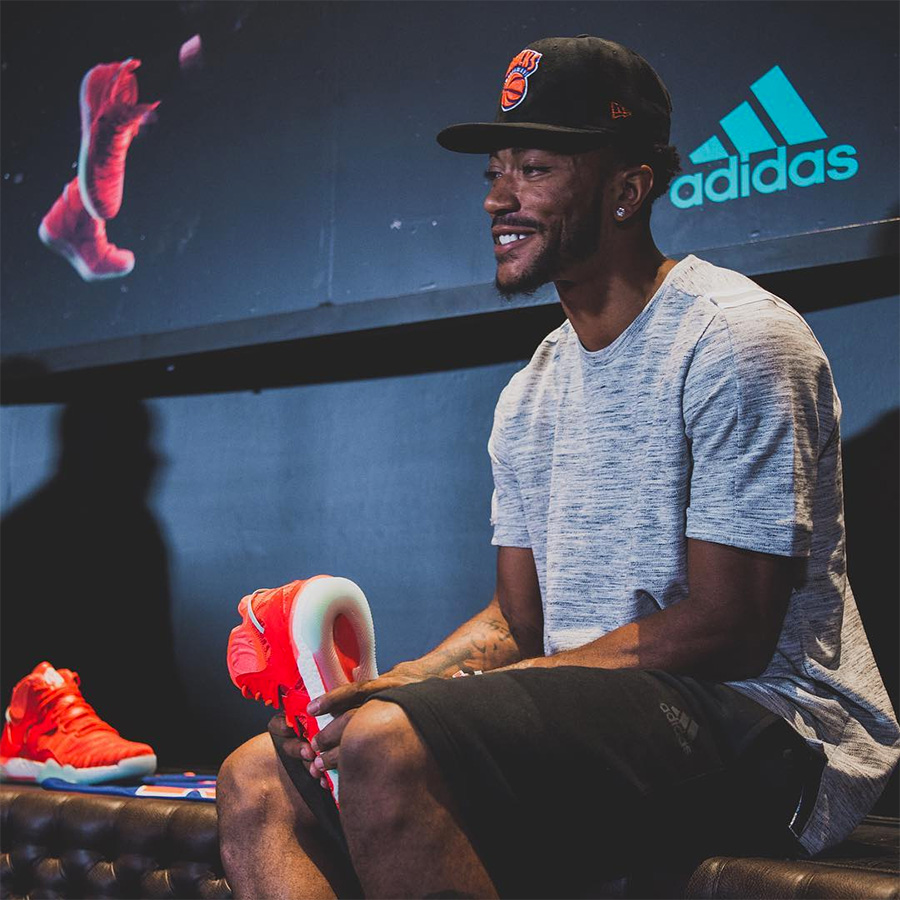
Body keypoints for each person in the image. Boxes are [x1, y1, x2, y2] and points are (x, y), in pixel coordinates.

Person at [216, 35, 899, 899]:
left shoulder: (735, 339)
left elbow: (732, 627)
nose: (499, 198)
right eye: (495, 171)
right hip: (610, 715)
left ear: (627, 189)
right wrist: (400, 684)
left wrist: (443, 708)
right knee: (256, 779)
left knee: (390, 745)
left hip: (776, 731)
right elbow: (518, 620)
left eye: (534, 169)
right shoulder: (532, 389)